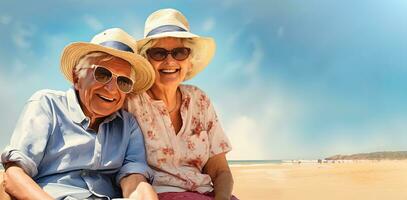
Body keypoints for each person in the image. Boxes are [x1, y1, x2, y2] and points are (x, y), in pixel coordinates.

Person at [0, 28, 158, 200]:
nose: (112, 89)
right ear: (77, 77)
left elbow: (134, 179)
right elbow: (14, 175)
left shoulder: (128, 125)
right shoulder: (47, 104)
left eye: (123, 81)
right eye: (103, 74)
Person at [125, 9, 238, 200]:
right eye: (159, 53)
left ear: (189, 60)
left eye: (179, 52)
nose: (170, 61)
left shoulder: (199, 100)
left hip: (206, 194)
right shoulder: (131, 102)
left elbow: (220, 171)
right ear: (146, 60)